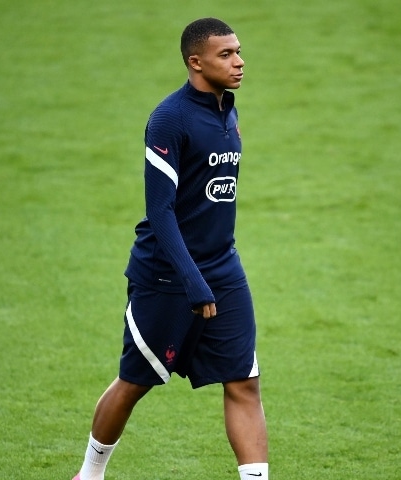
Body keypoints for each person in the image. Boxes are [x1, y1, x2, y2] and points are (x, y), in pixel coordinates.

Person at [71, 17, 269, 480]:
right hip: (167, 275)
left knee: (244, 382)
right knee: (136, 382)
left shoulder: (228, 110)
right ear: (194, 62)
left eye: (239, 51)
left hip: (223, 266)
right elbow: (159, 212)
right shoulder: (170, 118)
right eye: (226, 55)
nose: (239, 62)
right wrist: (192, 282)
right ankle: (90, 473)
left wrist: (212, 276)